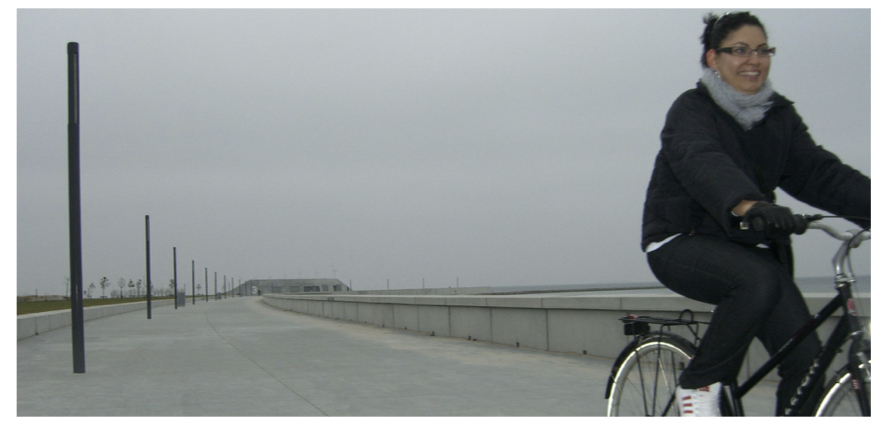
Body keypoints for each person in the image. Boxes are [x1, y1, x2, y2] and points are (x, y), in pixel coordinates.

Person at [641, 12, 870, 416]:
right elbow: (701, 159)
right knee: (757, 280)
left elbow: (819, 173)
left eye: (763, 50)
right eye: (740, 50)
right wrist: (747, 204)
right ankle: (697, 387)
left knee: (807, 361)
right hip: (681, 241)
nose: (754, 60)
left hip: (750, 249)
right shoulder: (692, 109)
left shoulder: (778, 117)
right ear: (714, 58)